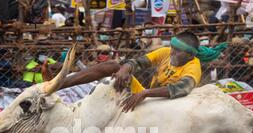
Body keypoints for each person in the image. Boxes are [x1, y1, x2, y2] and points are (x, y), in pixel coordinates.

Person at [59, 31, 227, 112]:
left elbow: (180, 88)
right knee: (112, 66)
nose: (172, 52)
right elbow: (138, 62)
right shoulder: (166, 52)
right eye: (172, 48)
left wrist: (145, 93)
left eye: (177, 50)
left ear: (190, 54)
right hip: (150, 97)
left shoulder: (193, 66)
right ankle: (60, 84)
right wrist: (125, 69)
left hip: (170, 107)